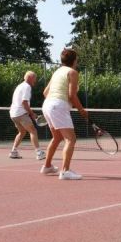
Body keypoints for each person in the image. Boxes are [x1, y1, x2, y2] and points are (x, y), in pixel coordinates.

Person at [40, 48, 88, 180]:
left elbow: (45, 92)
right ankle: (65, 171)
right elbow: (71, 95)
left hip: (47, 104)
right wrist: (81, 110)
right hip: (57, 105)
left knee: (57, 137)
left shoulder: (57, 72)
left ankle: (47, 166)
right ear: (74, 60)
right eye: (77, 59)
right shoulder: (72, 72)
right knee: (70, 139)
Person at [9, 71, 46, 160]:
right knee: (33, 131)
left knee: (22, 132)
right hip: (21, 113)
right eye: (35, 78)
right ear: (30, 78)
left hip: (13, 114)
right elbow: (24, 102)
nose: (35, 81)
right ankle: (39, 153)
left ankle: (13, 152)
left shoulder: (19, 86)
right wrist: (32, 114)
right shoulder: (27, 87)